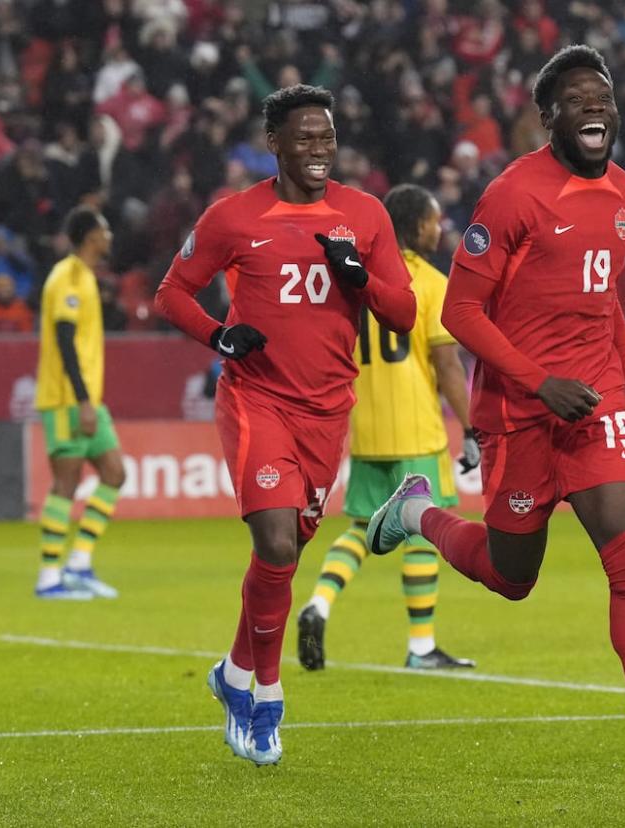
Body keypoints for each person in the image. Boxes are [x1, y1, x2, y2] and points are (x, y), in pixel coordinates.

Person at [364, 46, 625, 799]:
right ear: (548, 117)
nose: (596, 108)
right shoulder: (514, 194)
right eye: (578, 100)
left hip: (595, 407)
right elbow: (460, 311)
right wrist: (536, 382)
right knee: (509, 577)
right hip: (521, 412)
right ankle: (417, 512)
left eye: (605, 97)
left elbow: (604, 300)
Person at [154, 85, 416, 767]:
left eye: (326, 136)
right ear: (273, 143)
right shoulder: (234, 216)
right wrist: (219, 337)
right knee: (274, 543)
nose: (318, 149)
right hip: (257, 399)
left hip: (328, 411)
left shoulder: (365, 215)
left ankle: (232, 671)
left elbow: (405, 313)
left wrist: (358, 279)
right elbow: (170, 292)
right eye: (303, 137)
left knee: (287, 555)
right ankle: (263, 700)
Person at [296, 184, 477, 673]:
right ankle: (421, 647)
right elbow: (449, 366)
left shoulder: (357, 280)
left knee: (359, 529)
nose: (439, 228)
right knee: (421, 532)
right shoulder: (430, 283)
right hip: (416, 427)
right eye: (435, 219)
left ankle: (318, 603)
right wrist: (471, 427)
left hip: (368, 427)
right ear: (418, 225)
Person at [32, 207, 126, 600]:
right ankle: (49, 577)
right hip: (66, 399)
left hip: (87, 399)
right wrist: (84, 401)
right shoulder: (68, 275)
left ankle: (79, 563)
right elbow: (65, 339)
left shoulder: (84, 276)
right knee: (66, 483)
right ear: (90, 236)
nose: (109, 236)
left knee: (114, 473)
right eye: (105, 229)